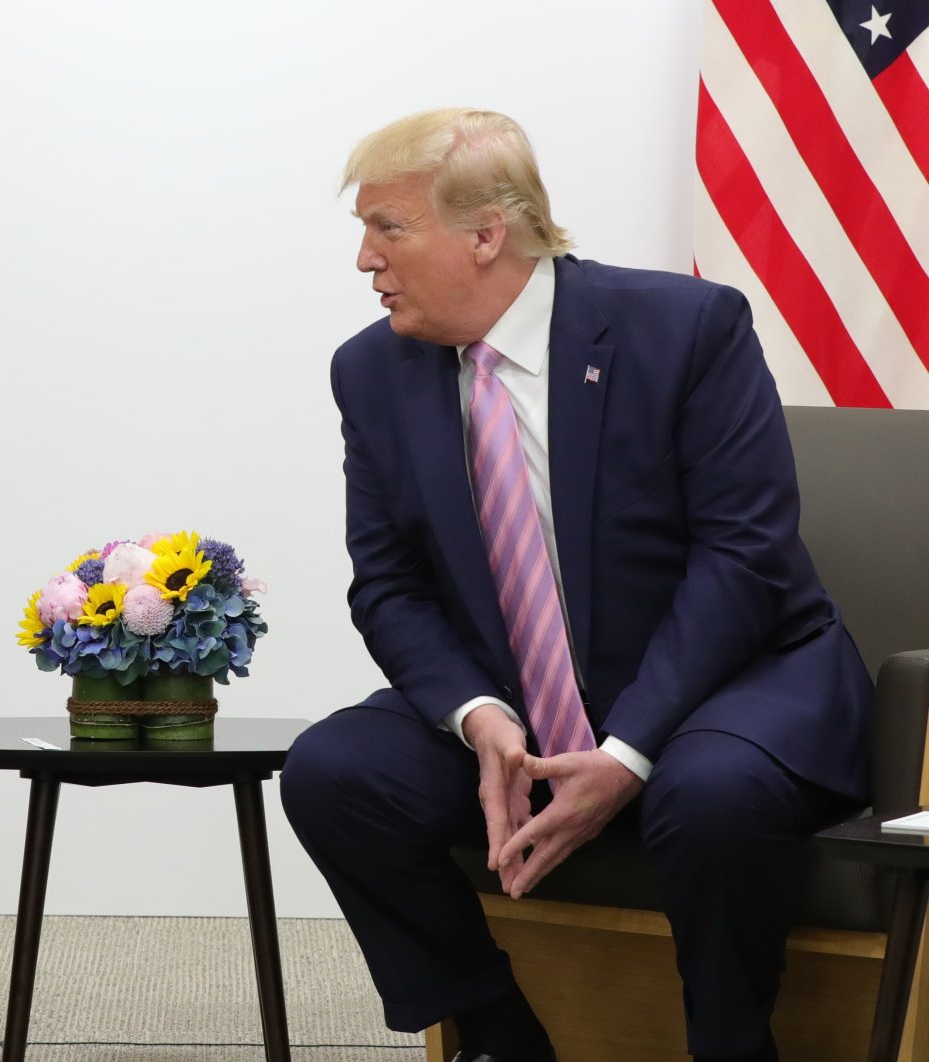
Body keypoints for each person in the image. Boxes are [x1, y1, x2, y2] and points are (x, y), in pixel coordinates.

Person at [279, 108, 869, 1062]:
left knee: (708, 793)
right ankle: (497, 1035)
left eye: (387, 228)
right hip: (526, 693)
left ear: (484, 234)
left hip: (734, 678)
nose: (364, 261)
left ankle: (731, 1046)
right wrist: (478, 716)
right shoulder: (372, 372)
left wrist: (629, 749)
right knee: (334, 773)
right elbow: (388, 584)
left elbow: (744, 556)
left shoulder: (685, 327)